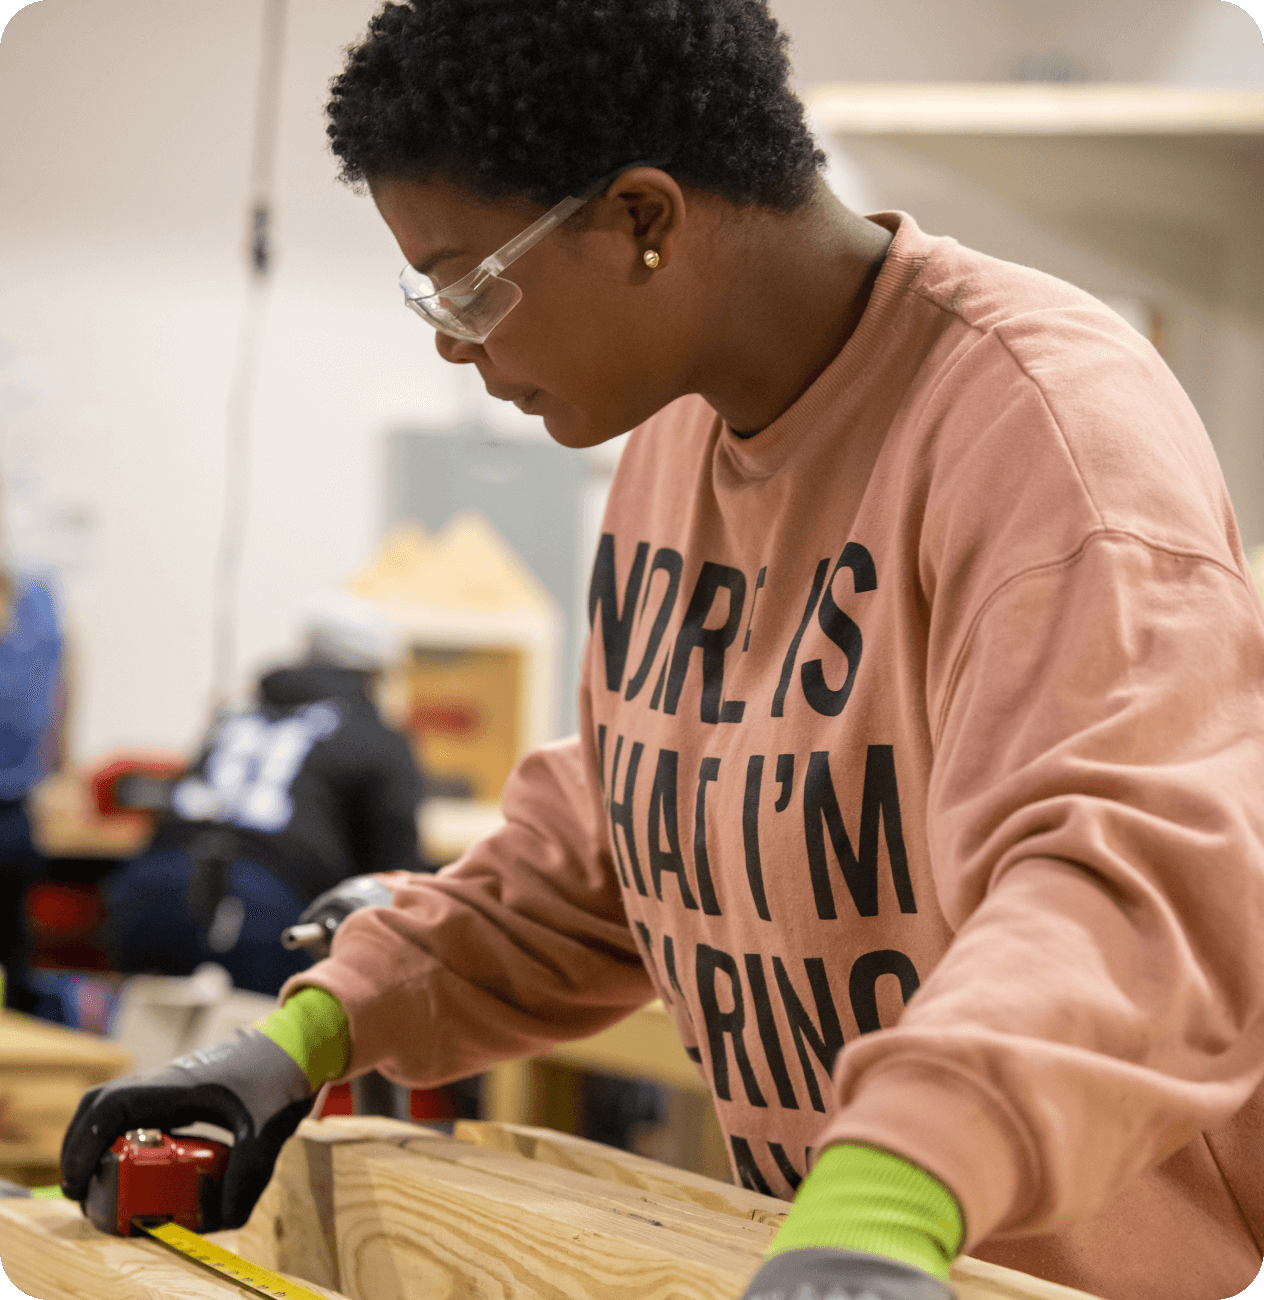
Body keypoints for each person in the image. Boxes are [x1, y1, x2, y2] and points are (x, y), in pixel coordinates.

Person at [61, 4, 1264, 1299]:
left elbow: (1133, 899)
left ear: (643, 220)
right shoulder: (671, 455)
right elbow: (621, 846)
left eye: (467, 284)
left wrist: (886, 1191)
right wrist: (302, 1037)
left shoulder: (1046, 434)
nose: (452, 342)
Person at [101, 594, 430, 995]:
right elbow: (395, 868)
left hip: (149, 887)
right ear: (378, 672)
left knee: (152, 1043)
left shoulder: (239, 713)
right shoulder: (375, 737)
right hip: (262, 907)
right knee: (262, 1046)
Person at [0, 563, 64, 1013]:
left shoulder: (39, 599)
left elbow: (63, 679)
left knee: (13, 949)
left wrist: (61, 764)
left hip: (16, 804)